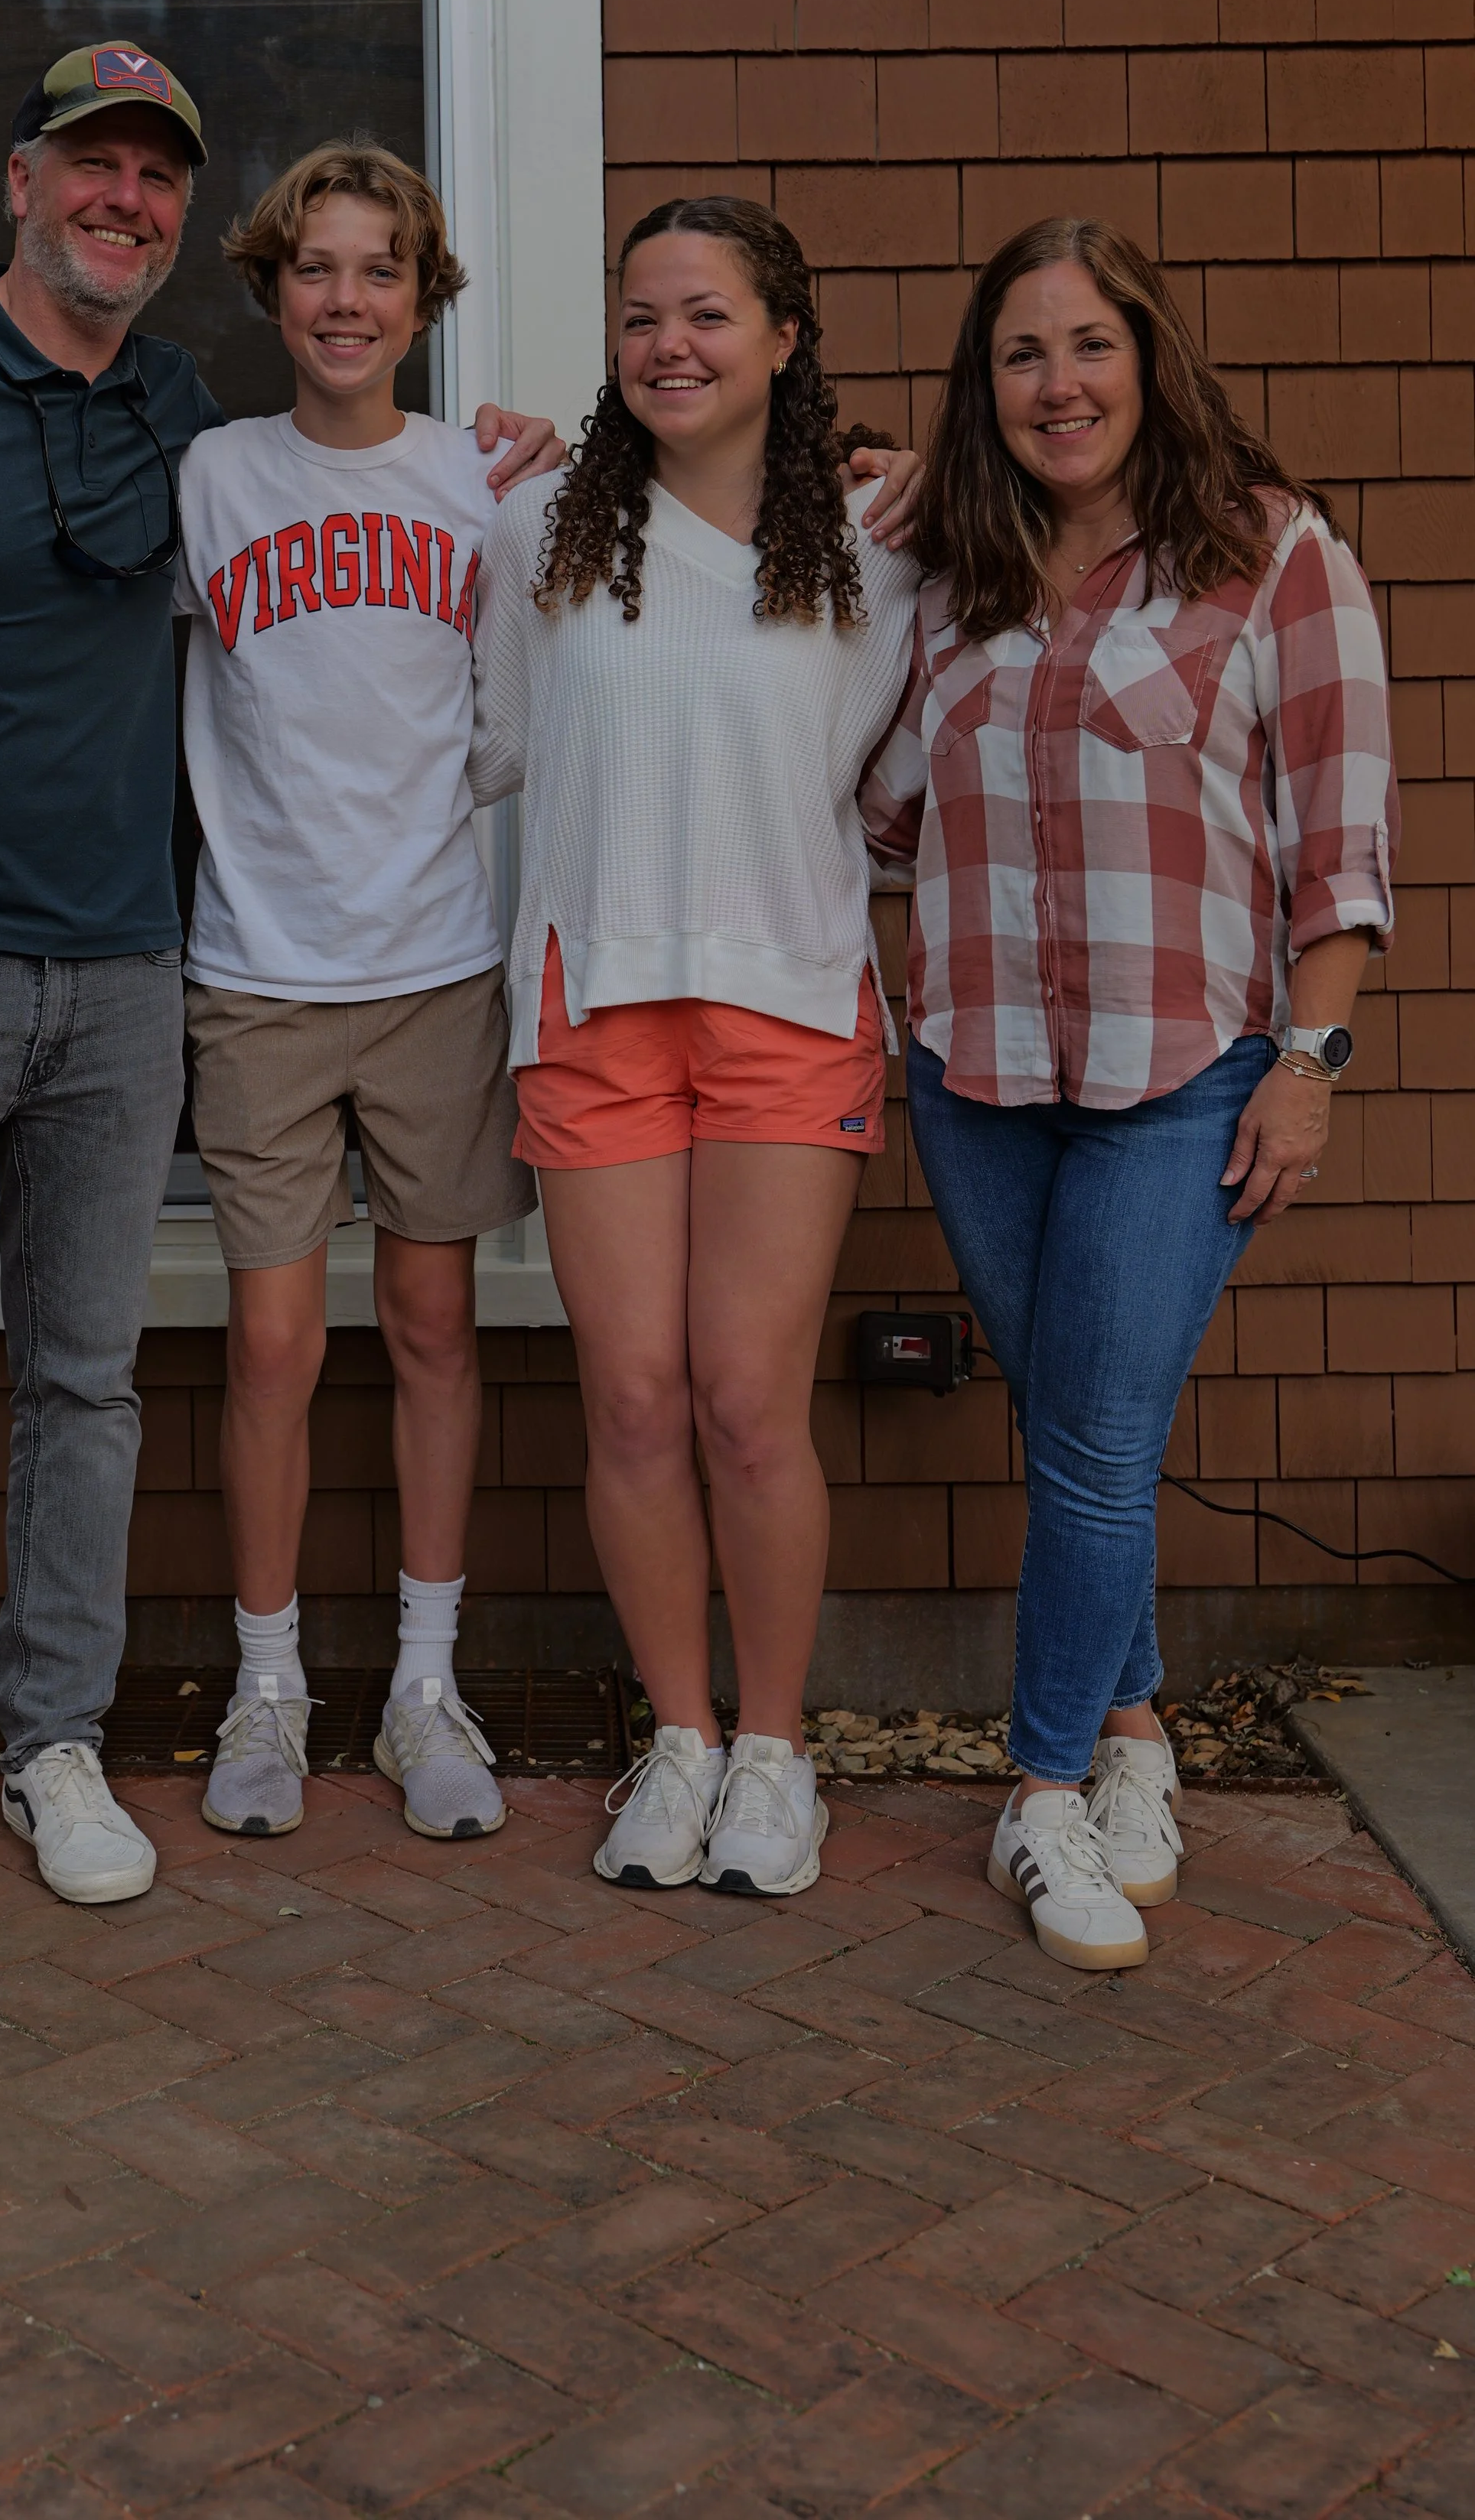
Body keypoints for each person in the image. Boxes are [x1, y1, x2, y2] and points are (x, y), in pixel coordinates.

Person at [0, 47, 559, 1998]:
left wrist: (511, 448)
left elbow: (383, 579)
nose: (124, 201)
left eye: (156, 178)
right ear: (19, 180)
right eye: (92, 166)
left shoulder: (178, 414)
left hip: (125, 975)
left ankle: (50, 1742)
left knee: (86, 1385)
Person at [860, 216, 1397, 1974]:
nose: (1056, 383)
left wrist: (1304, 1075)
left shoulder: (1274, 559)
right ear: (979, 388)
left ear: (1148, 357)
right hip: (978, 1076)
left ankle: (1033, 1793)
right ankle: (1137, 1734)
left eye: (1085, 345)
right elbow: (872, 808)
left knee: (1089, 1448)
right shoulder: (942, 574)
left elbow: (1340, 860)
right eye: (1018, 355)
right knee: (1083, 1432)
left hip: (1183, 1083)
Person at [471, 195, 923, 1898]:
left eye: (708, 314)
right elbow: (473, 737)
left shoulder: (885, 528)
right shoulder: (537, 528)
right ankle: (673, 1738)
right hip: (590, 1003)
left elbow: (1082, 505)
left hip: (791, 1002)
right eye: (642, 314)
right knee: (635, 1396)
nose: (670, 343)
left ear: (783, 340)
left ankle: (773, 1753)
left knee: (746, 1402)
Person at [171, 143, 538, 1845]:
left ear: (421, 295)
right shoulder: (211, 480)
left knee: (433, 1327)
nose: (343, 298)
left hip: (433, 971)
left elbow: (511, 708)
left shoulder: (481, 485)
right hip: (255, 970)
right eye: (313, 267)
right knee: (267, 1339)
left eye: (377, 269)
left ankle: (420, 1681)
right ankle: (266, 1683)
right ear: (270, 290)